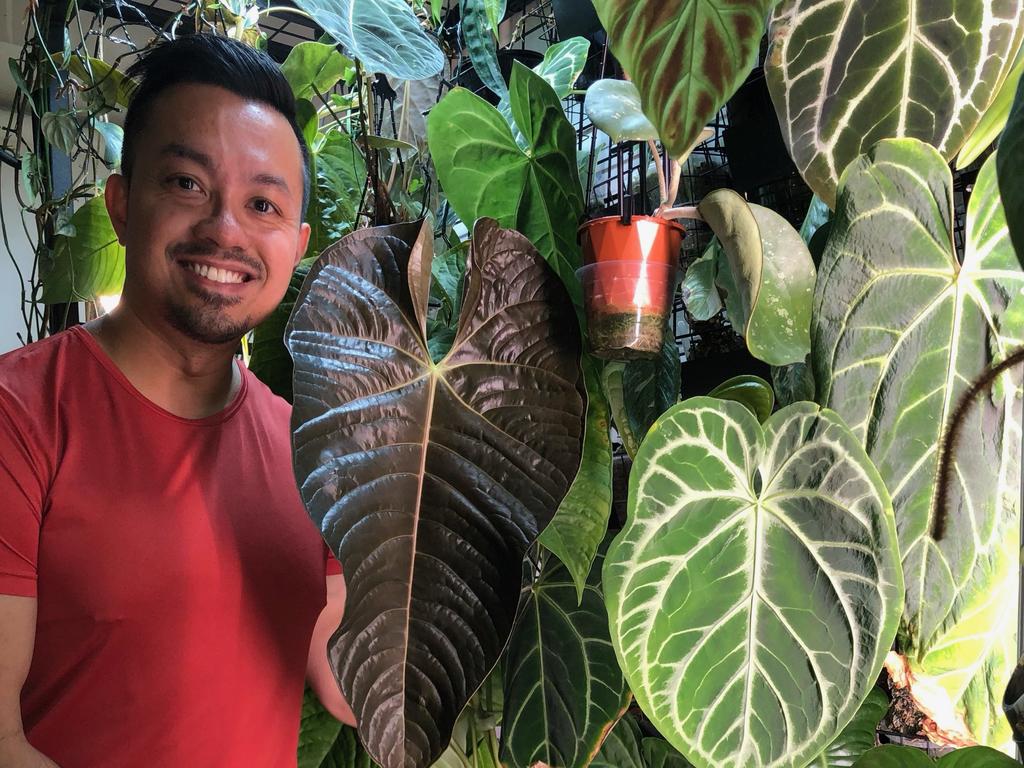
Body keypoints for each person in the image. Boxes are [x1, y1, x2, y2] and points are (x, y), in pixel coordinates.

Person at [0, 34, 354, 767]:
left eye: (263, 203)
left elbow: (352, 684)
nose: (226, 230)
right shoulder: (19, 418)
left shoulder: (310, 448)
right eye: (188, 184)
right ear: (123, 205)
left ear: (298, 241)